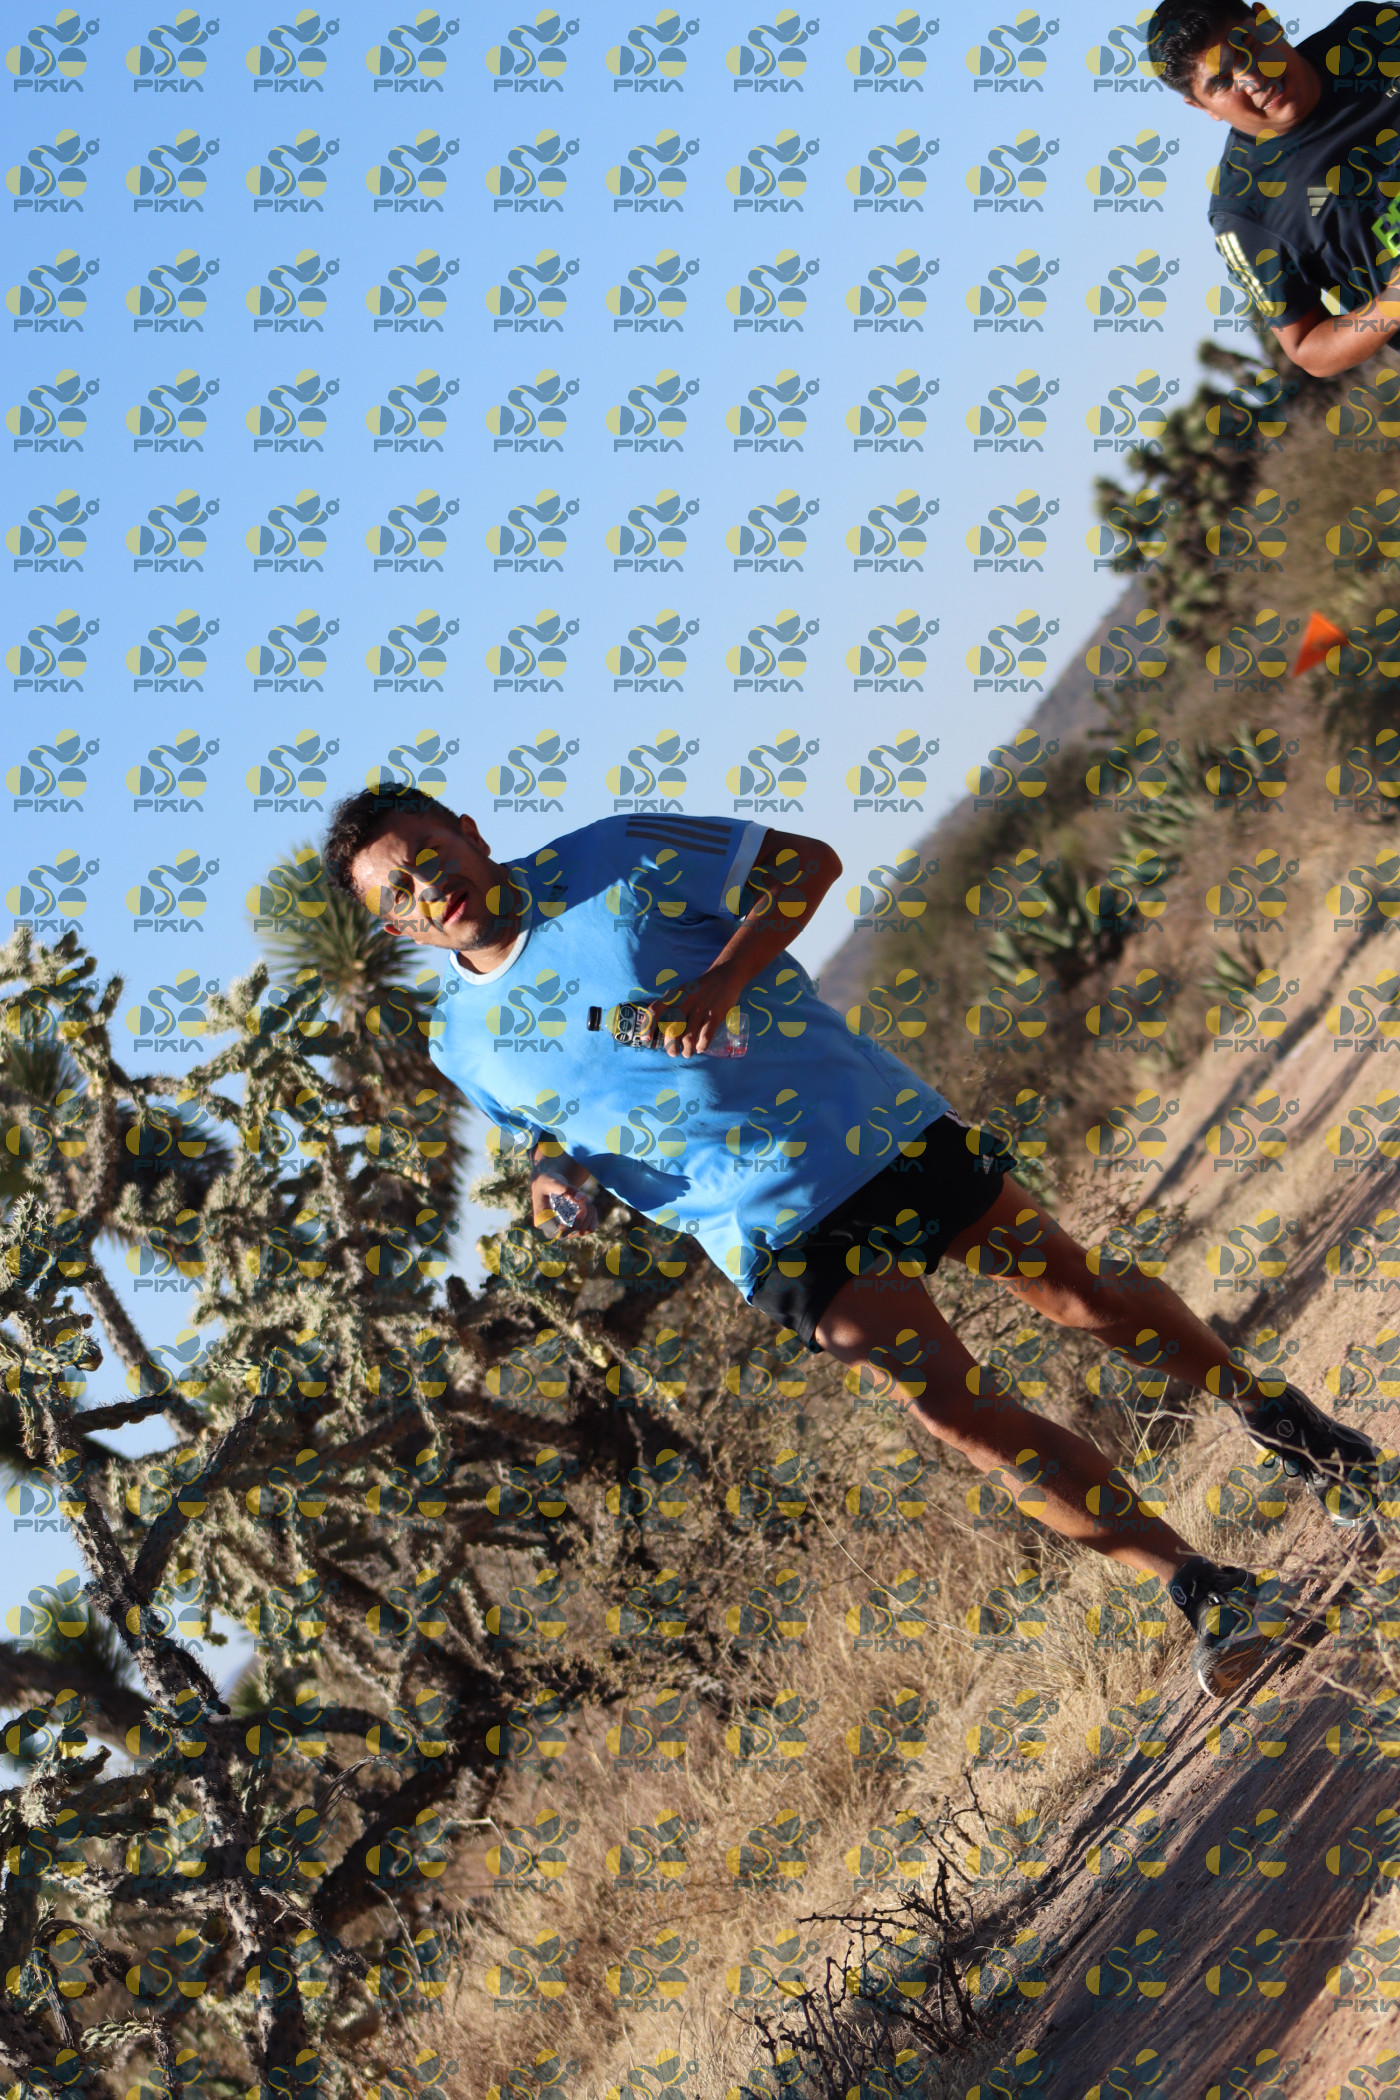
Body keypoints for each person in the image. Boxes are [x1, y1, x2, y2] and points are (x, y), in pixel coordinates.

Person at [323, 785, 1383, 1696]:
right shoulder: (459, 1041)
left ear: (467, 832)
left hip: (873, 1132)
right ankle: (1206, 1592)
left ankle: (1291, 1429)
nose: (428, 888)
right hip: (765, 1228)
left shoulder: (612, 854)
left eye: (430, 856)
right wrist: (558, 1177)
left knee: (1078, 1295)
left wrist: (723, 979)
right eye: (397, 892)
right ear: (392, 930)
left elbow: (805, 864)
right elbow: (550, 1126)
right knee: (953, 1411)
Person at [1148, 0, 1400, 375]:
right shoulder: (1242, 211)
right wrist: (1393, 303)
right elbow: (1306, 346)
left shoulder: (1376, 29)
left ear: (1268, 21)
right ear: (1202, 107)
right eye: (1222, 82)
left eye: (1248, 47)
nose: (1253, 78)